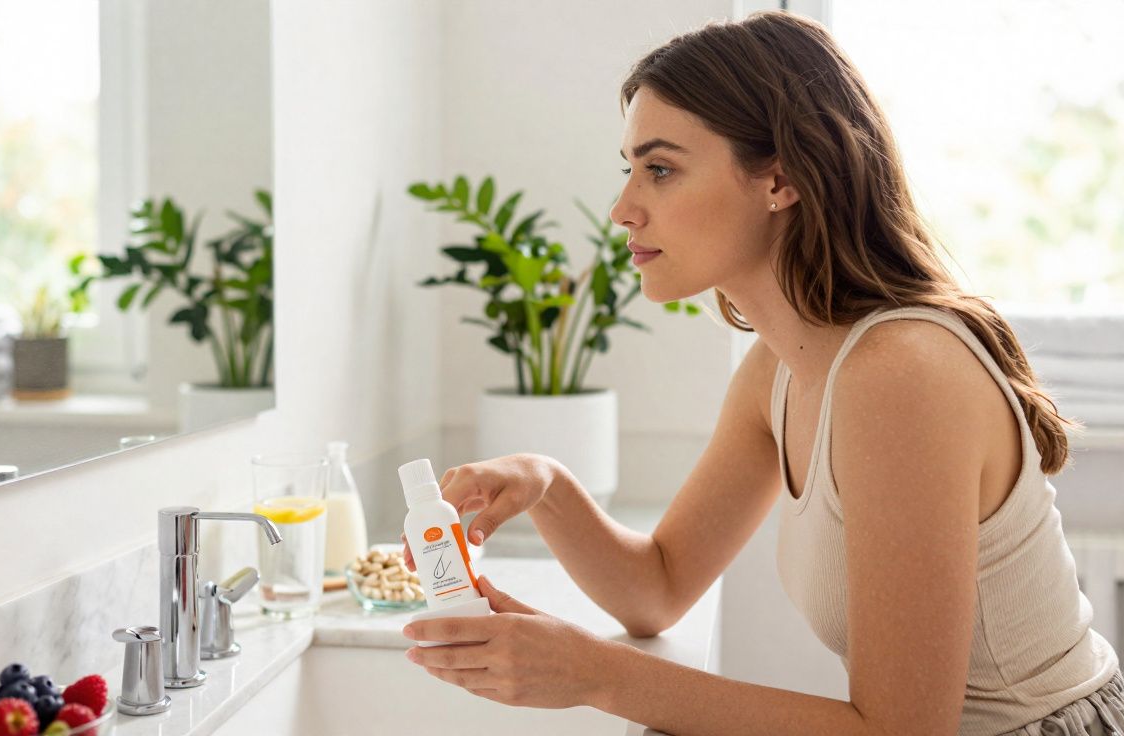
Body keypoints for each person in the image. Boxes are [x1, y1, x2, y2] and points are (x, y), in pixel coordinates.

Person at [401, 11, 1122, 735]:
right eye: (631, 171)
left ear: (778, 179)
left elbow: (902, 732)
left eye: (661, 169)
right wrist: (545, 483)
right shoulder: (779, 366)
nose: (623, 210)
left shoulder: (901, 374)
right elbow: (657, 588)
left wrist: (595, 673)